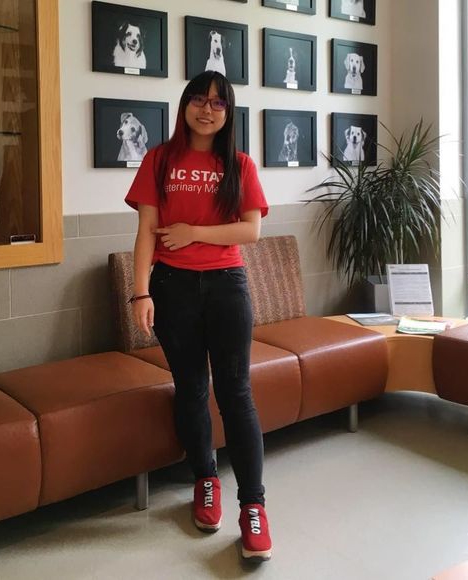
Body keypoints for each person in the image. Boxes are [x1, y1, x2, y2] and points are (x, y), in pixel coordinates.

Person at [124, 71, 272, 562]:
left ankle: (253, 507)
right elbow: (146, 231)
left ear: (228, 113)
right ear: (185, 104)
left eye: (218, 103)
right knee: (190, 389)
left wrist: (194, 232)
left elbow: (251, 231)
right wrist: (140, 292)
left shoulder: (240, 164)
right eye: (198, 100)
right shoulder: (159, 159)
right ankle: (205, 479)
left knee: (236, 394)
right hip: (173, 288)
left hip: (227, 287)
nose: (207, 110)